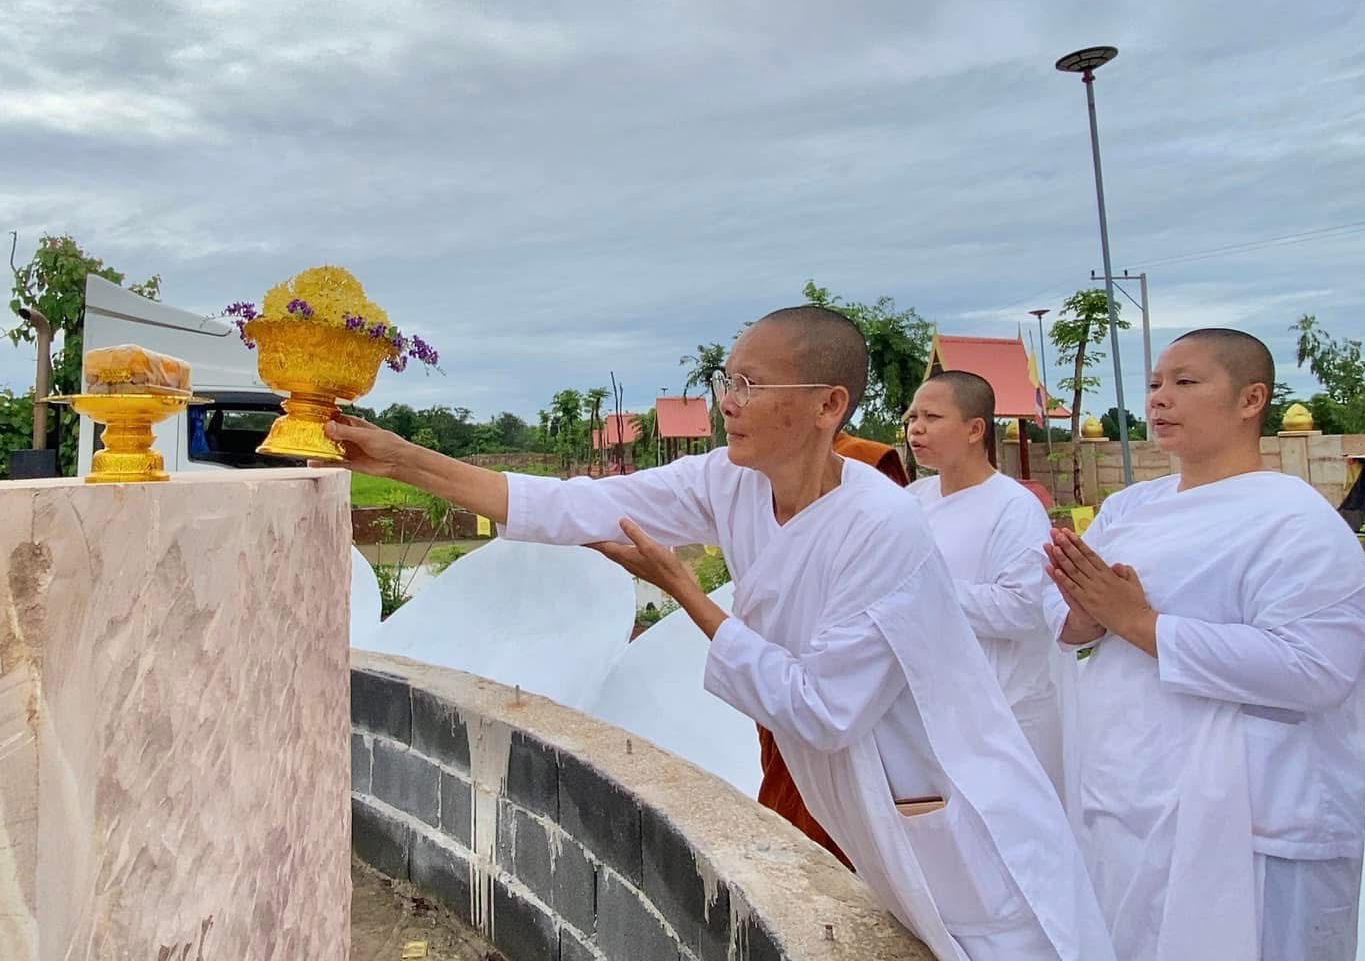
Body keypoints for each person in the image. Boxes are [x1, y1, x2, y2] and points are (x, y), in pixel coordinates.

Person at [323, 306, 1113, 961]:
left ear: (827, 406)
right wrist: (399, 458)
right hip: (850, 786)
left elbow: (824, 709)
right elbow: (566, 504)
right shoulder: (728, 481)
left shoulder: (882, 523)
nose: (726, 400)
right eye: (724, 380)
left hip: (944, 794)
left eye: (749, 383)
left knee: (1003, 937)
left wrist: (688, 597)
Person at [1042, 329, 1365, 961]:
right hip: (1128, 787)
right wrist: (1087, 615)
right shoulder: (1132, 506)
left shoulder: (1295, 520)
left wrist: (1141, 623)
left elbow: (1314, 671)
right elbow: (1070, 623)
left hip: (1250, 812)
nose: (1161, 400)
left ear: (1252, 399)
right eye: (1156, 385)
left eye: (1186, 383)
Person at [905, 371, 1066, 790]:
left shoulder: (1013, 508)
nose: (916, 428)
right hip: (931, 707)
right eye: (912, 417)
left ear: (975, 429)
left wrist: (922, 594)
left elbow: (1025, 609)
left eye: (933, 417)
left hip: (1005, 712)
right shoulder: (913, 500)